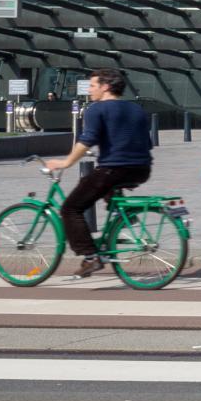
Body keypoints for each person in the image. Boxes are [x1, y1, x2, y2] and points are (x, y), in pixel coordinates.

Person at [42, 66, 154, 279]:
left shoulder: (97, 109)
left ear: (106, 87)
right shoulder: (137, 109)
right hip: (142, 169)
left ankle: (90, 256)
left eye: (93, 85)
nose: (89, 90)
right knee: (105, 189)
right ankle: (123, 222)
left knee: (71, 208)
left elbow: (87, 140)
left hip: (114, 169)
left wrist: (66, 162)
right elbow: (146, 142)